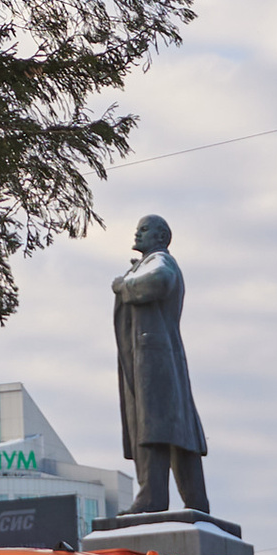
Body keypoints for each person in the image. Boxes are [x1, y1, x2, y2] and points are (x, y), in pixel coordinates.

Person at [111, 214, 210, 515]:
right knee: (174, 429)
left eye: (144, 229)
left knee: (153, 425)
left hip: (152, 359)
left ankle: (152, 498)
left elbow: (159, 282)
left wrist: (124, 284)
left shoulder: (160, 261)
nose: (137, 233)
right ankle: (196, 503)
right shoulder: (150, 262)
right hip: (148, 358)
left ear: (161, 236)